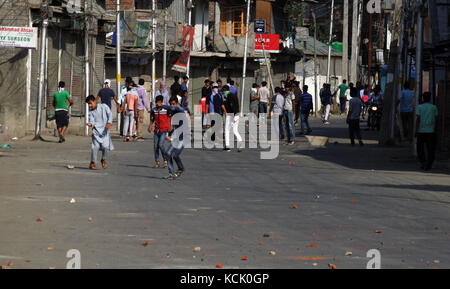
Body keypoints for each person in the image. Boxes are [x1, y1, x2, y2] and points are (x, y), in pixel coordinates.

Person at [86, 95, 114, 170]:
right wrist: (90, 124)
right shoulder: (91, 112)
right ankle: (92, 163)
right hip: (96, 132)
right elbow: (92, 121)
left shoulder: (104, 107)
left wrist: (109, 122)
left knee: (105, 147)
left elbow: (110, 114)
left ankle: (103, 159)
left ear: (95, 101)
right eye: (88, 104)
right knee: (95, 147)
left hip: (105, 131)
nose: (90, 105)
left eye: (90, 103)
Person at [164, 97, 188, 180]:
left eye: (173, 104)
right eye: (171, 104)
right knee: (167, 154)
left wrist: (162, 105)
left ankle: (181, 168)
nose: (172, 106)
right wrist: (170, 135)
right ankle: (171, 173)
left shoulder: (181, 110)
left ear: (177, 103)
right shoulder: (174, 113)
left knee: (175, 155)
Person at [415, 92, 438, 170]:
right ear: (430, 98)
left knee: (420, 148)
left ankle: (423, 162)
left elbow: (418, 119)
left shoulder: (419, 107)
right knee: (430, 149)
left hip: (421, 131)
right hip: (431, 131)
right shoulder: (434, 107)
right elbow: (436, 119)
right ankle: (429, 164)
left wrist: (416, 130)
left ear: (423, 98)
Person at [148, 95, 170, 168]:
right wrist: (150, 126)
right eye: (157, 102)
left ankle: (165, 159)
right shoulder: (154, 110)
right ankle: (157, 161)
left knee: (161, 145)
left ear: (162, 102)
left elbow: (170, 117)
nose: (158, 104)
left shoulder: (166, 109)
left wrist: (170, 126)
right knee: (155, 146)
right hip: (156, 130)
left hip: (164, 130)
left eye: (159, 102)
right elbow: (152, 119)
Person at [222, 85, 243, 152]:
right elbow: (236, 105)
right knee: (235, 130)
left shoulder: (228, 96)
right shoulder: (234, 95)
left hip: (231, 114)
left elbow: (231, 105)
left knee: (227, 130)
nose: (223, 92)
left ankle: (227, 146)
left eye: (223, 91)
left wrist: (233, 115)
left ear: (225, 90)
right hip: (236, 114)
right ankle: (240, 142)